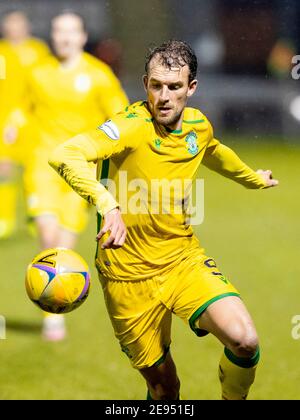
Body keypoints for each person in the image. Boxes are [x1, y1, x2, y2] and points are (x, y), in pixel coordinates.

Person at [49, 40, 278, 400]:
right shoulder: (130, 126)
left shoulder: (198, 127)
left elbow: (214, 151)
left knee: (244, 340)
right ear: (145, 85)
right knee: (165, 389)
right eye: (156, 86)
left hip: (181, 260)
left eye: (174, 86)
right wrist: (108, 205)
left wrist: (252, 178)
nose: (164, 96)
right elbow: (65, 154)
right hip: (126, 276)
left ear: (192, 87)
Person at [24, 10, 128, 341]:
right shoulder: (38, 73)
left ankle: (55, 308)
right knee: (46, 233)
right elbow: (18, 110)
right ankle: (51, 313)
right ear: (52, 36)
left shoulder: (99, 76)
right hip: (42, 163)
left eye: (71, 31)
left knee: (63, 244)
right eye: (58, 31)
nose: (64, 37)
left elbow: (120, 119)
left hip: (79, 169)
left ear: (83, 37)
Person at [0, 10, 49, 239]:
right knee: (4, 169)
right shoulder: (1, 53)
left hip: (33, 119)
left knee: (34, 168)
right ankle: (4, 219)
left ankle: (34, 213)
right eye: (10, 25)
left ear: (26, 26)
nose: (15, 28)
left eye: (18, 24)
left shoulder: (38, 51)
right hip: (4, 119)